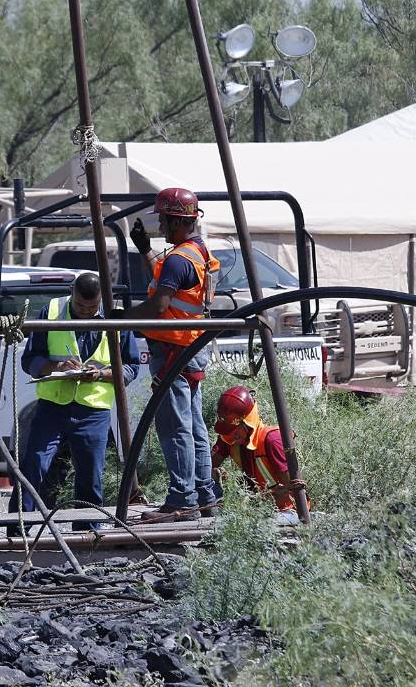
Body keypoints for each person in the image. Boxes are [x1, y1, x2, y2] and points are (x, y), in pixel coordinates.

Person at [14, 272, 141, 532]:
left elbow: (131, 366)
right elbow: (30, 360)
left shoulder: (115, 317)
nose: (85, 312)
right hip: (52, 408)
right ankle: (17, 529)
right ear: (72, 292)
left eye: (92, 308)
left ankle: (87, 533)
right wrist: (54, 366)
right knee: (33, 465)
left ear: (102, 299)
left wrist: (102, 373)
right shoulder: (51, 311)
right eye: (81, 306)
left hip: (93, 411)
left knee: (90, 476)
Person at [123, 187, 221, 522]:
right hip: (188, 349)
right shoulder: (196, 252)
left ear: (177, 220)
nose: (161, 227)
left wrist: (120, 318)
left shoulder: (180, 258)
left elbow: (159, 304)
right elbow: (168, 281)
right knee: (194, 427)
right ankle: (205, 496)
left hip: (173, 351)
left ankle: (182, 500)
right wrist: (144, 249)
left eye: (163, 220)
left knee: (175, 427)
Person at [211, 386, 306, 525]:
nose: (231, 436)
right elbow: (207, 465)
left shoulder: (272, 440)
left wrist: (279, 491)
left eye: (235, 431)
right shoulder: (229, 438)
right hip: (257, 510)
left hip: (287, 512)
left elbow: (294, 487)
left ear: (247, 424)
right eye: (228, 431)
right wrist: (218, 475)